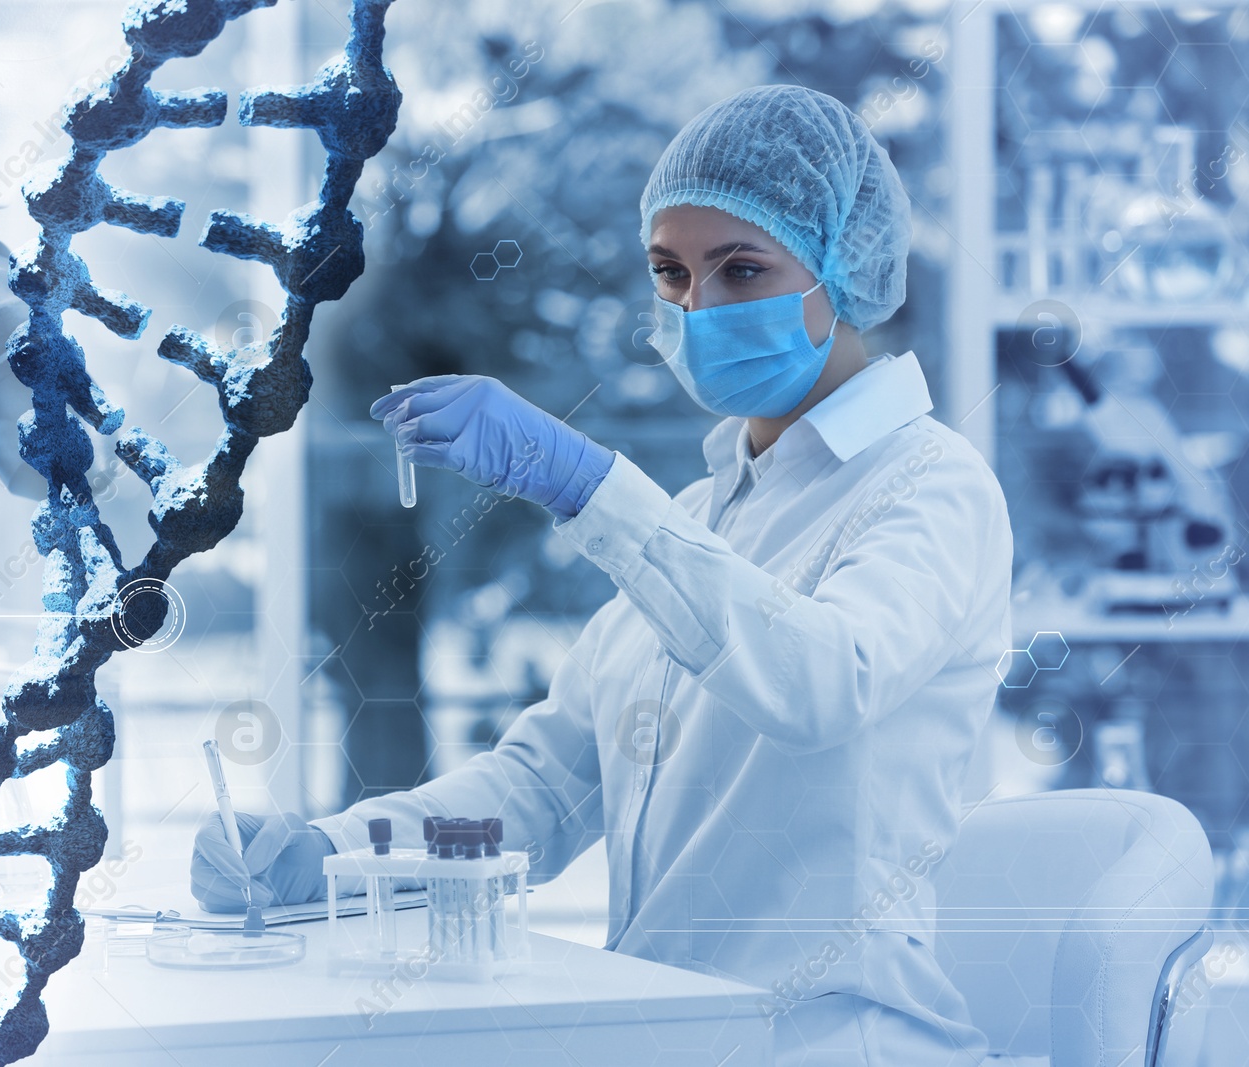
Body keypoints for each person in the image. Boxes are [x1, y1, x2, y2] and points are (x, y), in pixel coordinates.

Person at [192, 84, 1012, 1066]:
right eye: (669, 272)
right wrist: (329, 854)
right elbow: (540, 788)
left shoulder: (931, 484)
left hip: (837, 1038)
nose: (694, 307)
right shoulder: (704, 517)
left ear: (843, 268)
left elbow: (820, 681)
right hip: (665, 1029)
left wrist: (589, 485)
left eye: (739, 269)